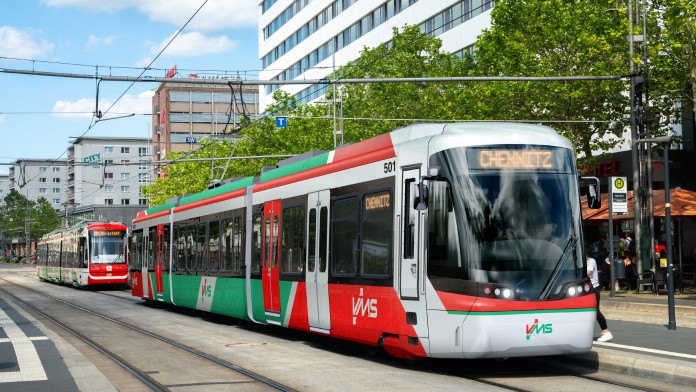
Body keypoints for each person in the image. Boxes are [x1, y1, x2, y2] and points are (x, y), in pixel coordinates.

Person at [588, 253, 613, 341]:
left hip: (594, 289)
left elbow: (588, 272)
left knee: (595, 311)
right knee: (589, 312)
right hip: (587, 289)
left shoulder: (591, 261)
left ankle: (606, 332)